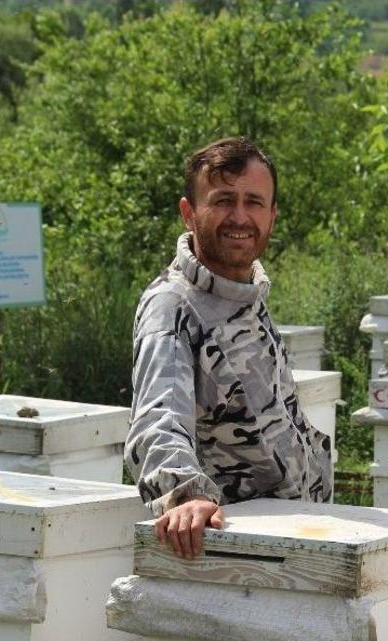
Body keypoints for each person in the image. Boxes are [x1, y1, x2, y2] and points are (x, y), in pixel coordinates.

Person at [126, 137, 332, 559]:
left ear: (272, 216)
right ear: (189, 213)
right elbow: (157, 418)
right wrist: (184, 497)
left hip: (296, 538)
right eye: (223, 201)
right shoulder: (173, 306)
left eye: (254, 202)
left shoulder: (246, 294)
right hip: (233, 552)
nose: (240, 217)